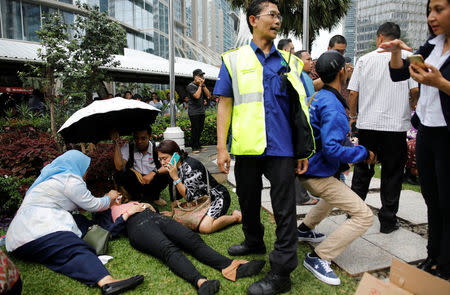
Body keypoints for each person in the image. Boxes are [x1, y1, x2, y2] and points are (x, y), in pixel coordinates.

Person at [214, 0, 315, 293]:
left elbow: (302, 109)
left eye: (279, 16)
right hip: (246, 147)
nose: (278, 20)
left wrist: (302, 150)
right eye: (272, 15)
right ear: (253, 20)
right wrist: (222, 148)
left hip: (282, 148)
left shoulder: (290, 62)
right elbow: (225, 105)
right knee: (247, 198)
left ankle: (281, 273)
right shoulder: (233, 60)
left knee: (285, 209)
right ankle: (253, 240)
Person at [4, 150, 144, 295]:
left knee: (63, 254)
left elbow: (77, 205)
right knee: (75, 248)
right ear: (79, 165)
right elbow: (93, 205)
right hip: (38, 229)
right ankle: (107, 282)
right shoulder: (70, 179)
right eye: (86, 170)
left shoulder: (52, 179)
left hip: (18, 242)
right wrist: (109, 197)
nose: (85, 174)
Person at [379, 0, 450, 280]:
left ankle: (445, 266)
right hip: (427, 132)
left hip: (447, 135)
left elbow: (439, 83)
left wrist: (441, 84)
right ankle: (433, 257)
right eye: (429, 10)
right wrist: (397, 52)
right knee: (431, 200)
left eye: (439, 9)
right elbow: (398, 74)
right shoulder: (432, 46)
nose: (432, 17)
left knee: (447, 202)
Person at [297, 50, 375, 285]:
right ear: (342, 71)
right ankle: (319, 256)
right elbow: (332, 148)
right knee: (364, 216)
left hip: (310, 168)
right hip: (317, 174)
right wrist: (363, 153)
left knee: (333, 196)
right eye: (347, 67)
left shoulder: (318, 96)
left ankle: (304, 229)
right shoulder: (331, 104)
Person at [348, 22, 420, 234]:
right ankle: (388, 220)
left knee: (363, 170)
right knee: (392, 173)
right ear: (397, 38)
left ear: (380, 38)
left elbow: (353, 93)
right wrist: (410, 104)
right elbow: (415, 90)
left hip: (368, 124)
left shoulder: (364, 60)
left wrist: (353, 116)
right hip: (396, 126)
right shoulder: (407, 59)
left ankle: (354, 213)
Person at [156, 140, 242, 233]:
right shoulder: (173, 167)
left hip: (216, 198)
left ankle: (236, 217)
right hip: (199, 201)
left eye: (165, 158)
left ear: (175, 155)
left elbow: (188, 197)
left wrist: (176, 178)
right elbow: (173, 192)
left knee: (205, 228)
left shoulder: (190, 167)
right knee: (179, 220)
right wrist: (173, 213)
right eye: (160, 159)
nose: (162, 163)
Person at [111, 127, 170, 206]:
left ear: (150, 136)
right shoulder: (128, 147)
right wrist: (116, 143)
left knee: (166, 174)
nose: (139, 141)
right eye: (136, 138)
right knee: (121, 174)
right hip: (136, 181)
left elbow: (174, 160)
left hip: (153, 179)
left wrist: (153, 173)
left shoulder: (158, 146)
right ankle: (136, 198)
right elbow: (119, 166)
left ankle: (155, 197)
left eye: (143, 138)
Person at [187, 69, 210, 154]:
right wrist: (200, 86)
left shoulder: (202, 85)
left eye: (202, 76)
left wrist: (203, 85)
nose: (201, 77)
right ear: (195, 76)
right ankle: (194, 147)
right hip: (194, 112)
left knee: (200, 129)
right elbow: (196, 96)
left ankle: (198, 145)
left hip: (201, 111)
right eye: (200, 76)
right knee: (195, 129)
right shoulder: (190, 86)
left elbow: (208, 95)